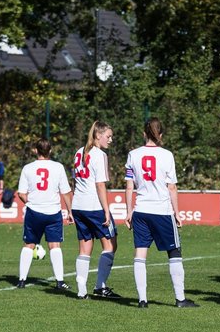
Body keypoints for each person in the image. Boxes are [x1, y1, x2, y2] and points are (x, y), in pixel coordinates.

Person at [124, 118, 198, 308]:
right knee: (174, 251)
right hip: (161, 211)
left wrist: (129, 211)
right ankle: (180, 299)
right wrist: (177, 213)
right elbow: (171, 187)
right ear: (161, 135)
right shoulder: (167, 155)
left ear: (144, 134)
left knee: (140, 254)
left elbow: (129, 186)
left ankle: (142, 300)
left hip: (140, 210)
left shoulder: (133, 154)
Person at [71, 122, 120, 299]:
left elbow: (75, 181)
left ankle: (81, 290)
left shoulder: (79, 151)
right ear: (98, 135)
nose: (111, 140)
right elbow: (100, 185)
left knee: (85, 248)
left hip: (78, 206)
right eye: (108, 136)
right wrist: (106, 210)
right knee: (110, 245)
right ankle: (100, 286)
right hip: (94, 207)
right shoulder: (100, 155)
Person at [15, 138, 73, 291]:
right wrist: (70, 211)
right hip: (53, 212)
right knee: (55, 245)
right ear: (51, 151)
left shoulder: (27, 168)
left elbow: (21, 194)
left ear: (35, 150)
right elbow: (66, 192)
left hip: (34, 212)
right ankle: (60, 282)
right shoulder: (58, 167)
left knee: (29, 245)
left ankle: (21, 280)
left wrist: (33, 202)